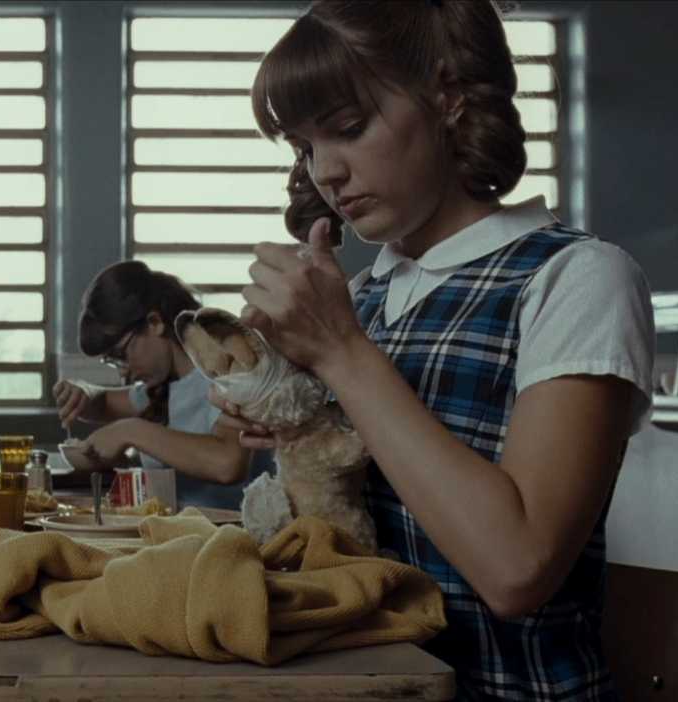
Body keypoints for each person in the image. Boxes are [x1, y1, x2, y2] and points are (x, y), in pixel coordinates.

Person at [223, 2, 654, 699]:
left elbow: (517, 568)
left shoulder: (575, 278)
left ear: (448, 98)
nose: (325, 172)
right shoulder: (363, 296)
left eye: (348, 128)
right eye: (305, 146)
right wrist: (287, 406)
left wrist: (341, 354)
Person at [52, 260, 256, 509]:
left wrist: (130, 431)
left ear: (154, 322)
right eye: (113, 361)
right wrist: (82, 390)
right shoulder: (164, 385)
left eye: (122, 353)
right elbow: (103, 402)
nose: (124, 370)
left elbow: (228, 463)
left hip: (235, 534)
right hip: (178, 532)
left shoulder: (227, 366)